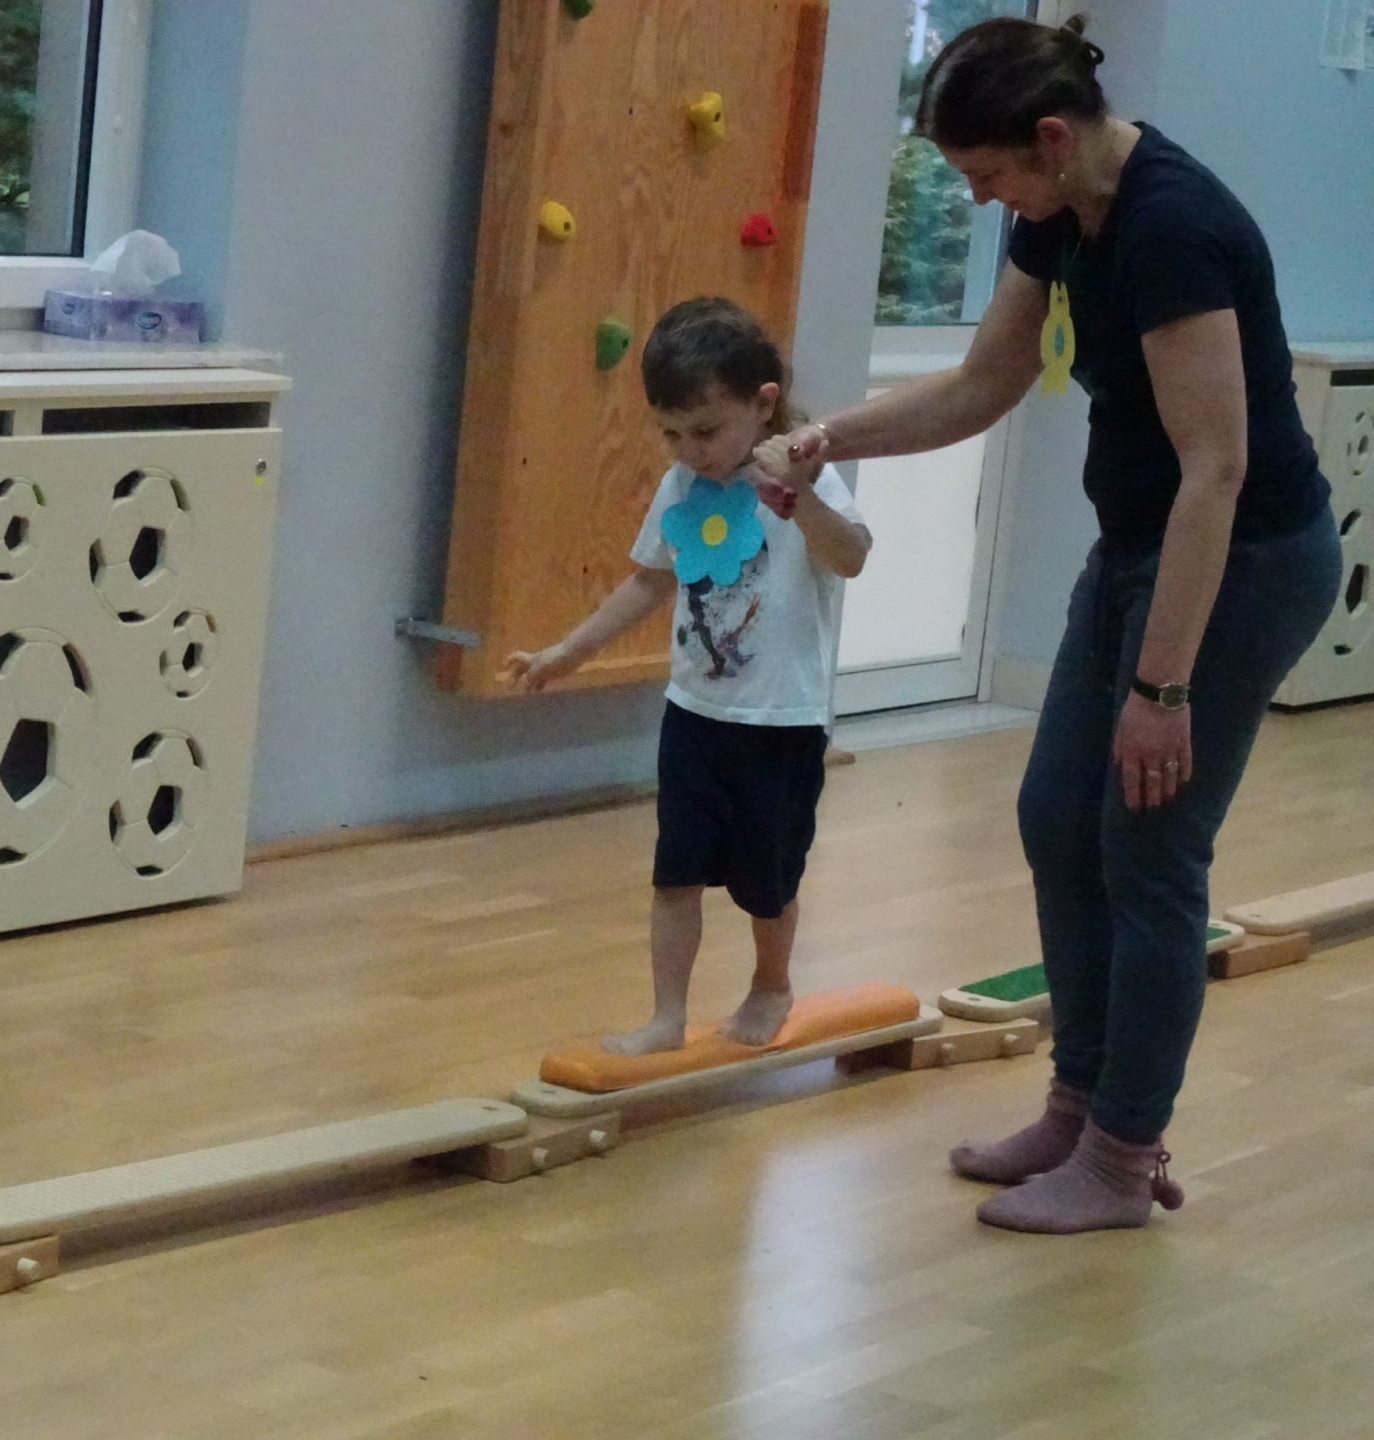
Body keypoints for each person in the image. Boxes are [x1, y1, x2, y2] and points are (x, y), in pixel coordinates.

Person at [754, 16, 1340, 1233]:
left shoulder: (1173, 228)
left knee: (1149, 848)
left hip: (1242, 564)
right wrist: (827, 439)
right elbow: (983, 383)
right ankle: (1079, 1108)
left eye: (987, 174)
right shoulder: (1060, 215)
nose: (979, 201)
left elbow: (1217, 470)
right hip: (1135, 551)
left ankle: (1123, 1158)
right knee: (1055, 819)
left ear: (1055, 137)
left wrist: (1162, 691)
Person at [506, 297, 871, 1055]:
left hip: (780, 723)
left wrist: (799, 496)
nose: (689, 451)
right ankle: (666, 1017)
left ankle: (771, 984)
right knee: (674, 875)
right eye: (671, 434)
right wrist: (566, 652)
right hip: (695, 715)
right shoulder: (682, 487)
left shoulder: (808, 476)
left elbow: (852, 557)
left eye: (705, 432)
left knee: (768, 883)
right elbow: (648, 581)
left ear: (763, 404)